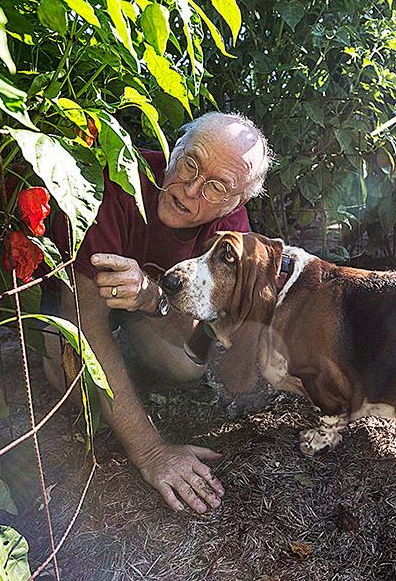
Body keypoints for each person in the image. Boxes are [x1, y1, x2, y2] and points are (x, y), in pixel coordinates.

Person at [46, 112, 271, 514]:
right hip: (69, 299)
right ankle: (73, 354)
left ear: (236, 203)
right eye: (190, 163)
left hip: (138, 302)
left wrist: (153, 300)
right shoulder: (114, 183)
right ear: (175, 147)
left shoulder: (229, 230)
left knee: (188, 365)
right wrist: (152, 452)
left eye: (216, 187)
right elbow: (85, 324)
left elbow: (201, 330)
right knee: (71, 388)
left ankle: (126, 348)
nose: (191, 189)